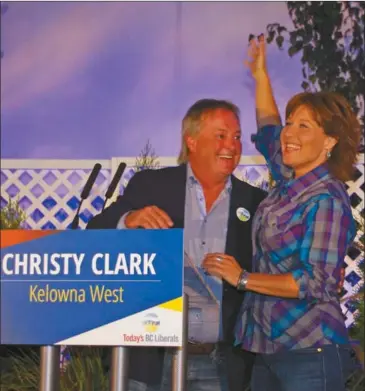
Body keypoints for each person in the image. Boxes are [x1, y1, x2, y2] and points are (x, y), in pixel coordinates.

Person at [202, 35, 361, 391]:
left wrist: (241, 278)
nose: (290, 132)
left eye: (304, 125)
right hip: (266, 348)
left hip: (308, 350)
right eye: (292, 121)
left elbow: (315, 282)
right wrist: (261, 77)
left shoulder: (327, 199)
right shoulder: (288, 177)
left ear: (330, 141)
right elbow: (271, 129)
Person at [87, 99, 267, 391]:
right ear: (192, 141)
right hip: (148, 360)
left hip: (220, 364)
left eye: (236, 137)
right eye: (220, 135)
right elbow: (94, 234)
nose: (231, 145)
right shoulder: (151, 186)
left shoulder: (254, 202)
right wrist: (129, 219)